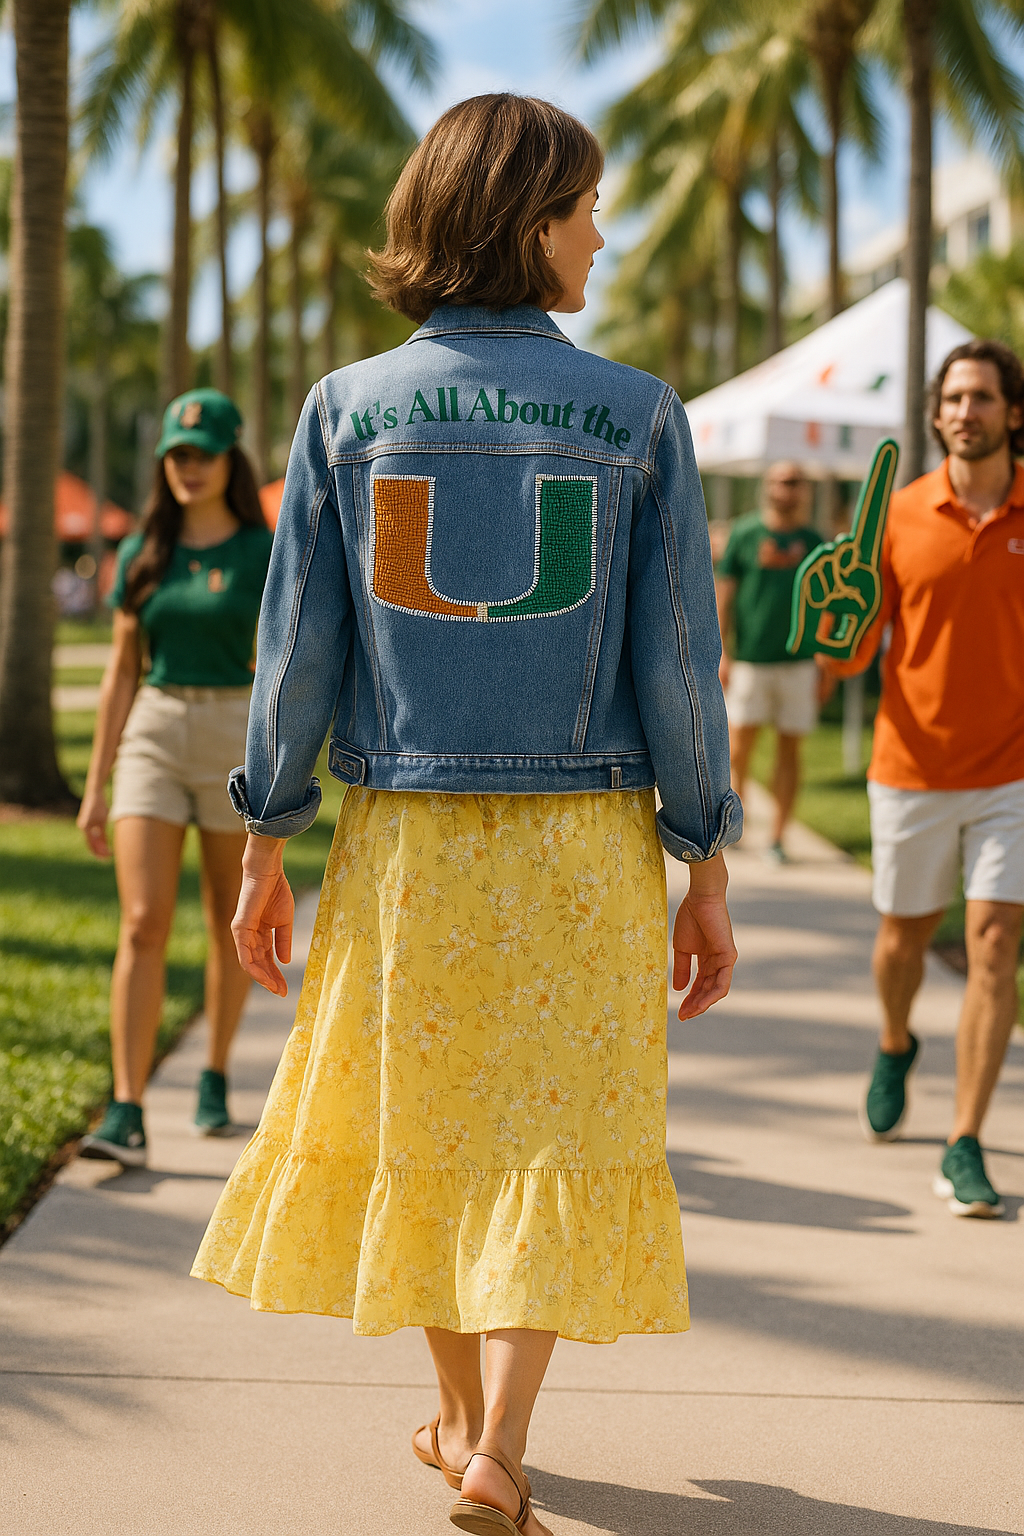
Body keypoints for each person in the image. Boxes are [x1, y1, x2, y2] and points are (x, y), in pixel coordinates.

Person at [190, 95, 739, 1536]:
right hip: (582, 846)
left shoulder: (345, 409)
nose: (600, 237)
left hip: (409, 843)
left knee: (424, 1130)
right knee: (549, 1135)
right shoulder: (638, 415)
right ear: (527, 220)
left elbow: (295, 655)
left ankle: (455, 1421)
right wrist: (703, 858)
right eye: (586, 211)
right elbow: (679, 663)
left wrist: (266, 841)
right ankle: (497, 1441)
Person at [835, 339, 1024, 1218]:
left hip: (1011, 772)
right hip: (910, 766)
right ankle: (893, 1040)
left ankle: (965, 1141)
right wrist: (835, 623)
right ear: (935, 414)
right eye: (952, 399)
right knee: (902, 942)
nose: (964, 412)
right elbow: (851, 654)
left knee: (994, 943)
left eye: (981, 397)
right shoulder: (899, 514)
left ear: (1013, 412)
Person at [77, 390, 273, 1166]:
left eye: (205, 454)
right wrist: (95, 784)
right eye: (178, 455)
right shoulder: (143, 551)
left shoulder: (261, 550)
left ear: (231, 459)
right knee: (141, 922)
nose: (190, 467)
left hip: (231, 734)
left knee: (229, 920)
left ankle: (215, 1074)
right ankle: (126, 1109)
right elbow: (121, 671)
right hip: (154, 733)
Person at [715, 462, 824, 861]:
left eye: (795, 482)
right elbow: (724, 595)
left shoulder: (814, 541)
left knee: (789, 751)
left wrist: (825, 662)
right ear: (768, 487)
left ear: (805, 490)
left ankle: (777, 837)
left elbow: (826, 604)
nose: (787, 490)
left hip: (800, 662)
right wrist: (722, 652)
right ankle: (735, 828)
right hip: (750, 660)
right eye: (781, 481)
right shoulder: (745, 533)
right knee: (737, 749)